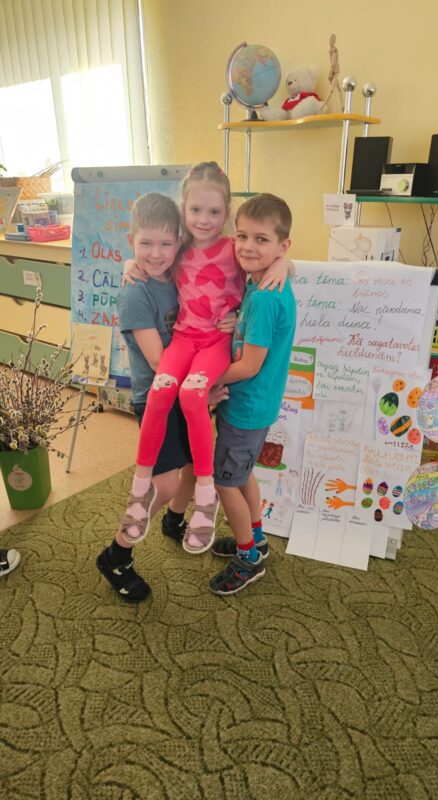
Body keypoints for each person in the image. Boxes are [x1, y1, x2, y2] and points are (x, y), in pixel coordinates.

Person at [117, 162, 290, 562]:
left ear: (226, 213)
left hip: (214, 342)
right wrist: (129, 263)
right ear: (184, 210)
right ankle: (140, 491)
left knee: (193, 398)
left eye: (214, 212)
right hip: (184, 339)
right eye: (195, 210)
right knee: (161, 391)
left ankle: (207, 495)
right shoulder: (176, 249)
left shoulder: (233, 247)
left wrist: (283, 262)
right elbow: (149, 254)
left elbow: (266, 258)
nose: (204, 219)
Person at [96, 192, 232, 603]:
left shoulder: (178, 273)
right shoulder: (135, 293)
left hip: (187, 390)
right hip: (156, 395)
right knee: (166, 482)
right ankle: (117, 554)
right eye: (145, 244)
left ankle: (174, 522)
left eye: (165, 244)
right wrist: (203, 388)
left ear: (178, 243)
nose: (155, 254)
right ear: (132, 241)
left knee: (192, 464)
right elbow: (158, 361)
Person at [209, 193, 297, 596]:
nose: (247, 246)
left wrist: (204, 382)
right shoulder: (263, 281)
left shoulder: (263, 297)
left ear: (282, 245)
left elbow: (248, 366)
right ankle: (256, 538)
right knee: (242, 475)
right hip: (255, 405)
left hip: (246, 406)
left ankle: (249, 558)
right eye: (241, 235)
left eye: (261, 239)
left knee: (225, 482)